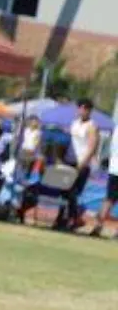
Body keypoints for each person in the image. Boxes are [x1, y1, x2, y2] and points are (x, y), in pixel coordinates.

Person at [63, 98, 99, 232]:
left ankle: (74, 218)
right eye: (81, 108)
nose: (82, 111)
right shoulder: (74, 123)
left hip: (82, 163)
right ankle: (70, 218)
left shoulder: (92, 126)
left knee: (73, 192)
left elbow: (92, 147)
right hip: (70, 160)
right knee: (66, 191)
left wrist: (82, 164)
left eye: (86, 109)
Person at [89, 131, 118, 238]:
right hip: (114, 167)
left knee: (109, 199)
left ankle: (98, 226)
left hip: (114, 168)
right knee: (109, 200)